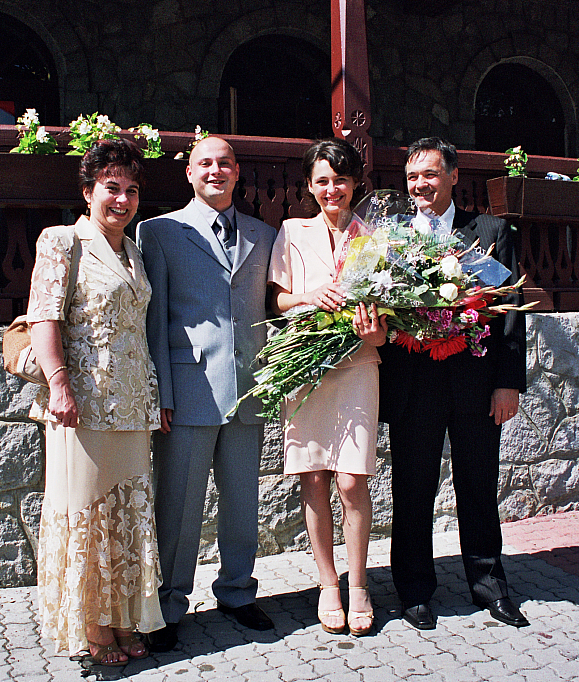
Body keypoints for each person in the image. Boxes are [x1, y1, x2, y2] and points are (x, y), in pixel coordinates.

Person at [378, 137, 530, 630]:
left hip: (476, 386)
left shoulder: (487, 232)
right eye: (412, 178)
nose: (420, 185)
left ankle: (489, 585)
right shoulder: (391, 236)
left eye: (429, 175)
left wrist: (508, 384)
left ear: (452, 176)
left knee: (479, 487)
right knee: (413, 489)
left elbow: (510, 312)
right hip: (413, 386)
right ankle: (415, 591)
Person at [27, 139, 165, 666]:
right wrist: (59, 384)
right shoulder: (63, 241)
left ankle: (124, 617)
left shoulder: (132, 250)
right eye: (112, 188)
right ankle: (91, 625)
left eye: (131, 190)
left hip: (130, 402)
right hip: (81, 403)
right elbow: (44, 315)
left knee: (125, 512)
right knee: (87, 513)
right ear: (88, 192)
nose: (122, 199)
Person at [137, 136, 277, 652]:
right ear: (189, 174)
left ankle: (238, 591)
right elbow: (155, 320)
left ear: (237, 172)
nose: (215, 171)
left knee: (243, 500)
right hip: (189, 388)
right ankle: (170, 603)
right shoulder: (159, 232)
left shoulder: (264, 234)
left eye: (224, 163)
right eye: (204, 164)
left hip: (248, 388)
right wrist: (162, 393)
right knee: (178, 507)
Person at [267, 139, 386, 636]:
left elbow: (389, 325)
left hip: (359, 363)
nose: (331, 189)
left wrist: (373, 332)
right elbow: (278, 301)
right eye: (322, 180)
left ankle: (359, 584)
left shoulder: (378, 237)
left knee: (352, 479)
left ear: (354, 182)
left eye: (340, 179)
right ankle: (327, 584)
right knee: (313, 476)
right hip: (305, 365)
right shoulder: (293, 231)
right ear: (310, 185)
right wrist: (311, 296)